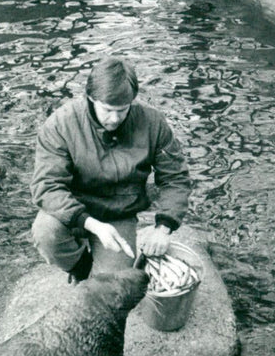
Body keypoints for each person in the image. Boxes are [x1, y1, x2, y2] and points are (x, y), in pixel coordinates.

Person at [30, 57, 190, 282]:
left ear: (132, 102)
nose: (114, 119)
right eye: (107, 110)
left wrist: (164, 227)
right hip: (74, 211)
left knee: (112, 284)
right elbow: (47, 187)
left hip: (119, 214)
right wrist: (92, 225)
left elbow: (176, 179)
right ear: (90, 98)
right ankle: (80, 267)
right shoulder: (60, 124)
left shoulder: (153, 122)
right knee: (46, 232)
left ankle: (99, 270)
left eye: (123, 110)